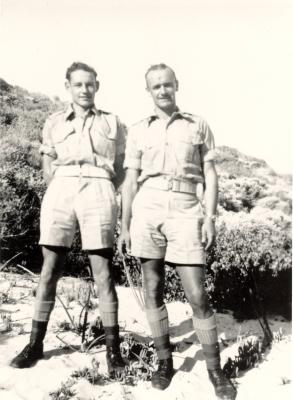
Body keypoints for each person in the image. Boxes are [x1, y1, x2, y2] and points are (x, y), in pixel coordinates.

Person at [118, 63, 236, 399]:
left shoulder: (197, 124)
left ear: (176, 85)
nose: (163, 91)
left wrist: (209, 217)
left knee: (197, 293)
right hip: (148, 206)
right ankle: (164, 361)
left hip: (186, 207)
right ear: (148, 91)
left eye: (167, 84)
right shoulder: (139, 129)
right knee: (152, 289)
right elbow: (129, 181)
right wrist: (124, 225)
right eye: (156, 86)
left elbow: (210, 174)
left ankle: (215, 370)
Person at [10, 62, 126, 377]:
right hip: (62, 187)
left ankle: (113, 351)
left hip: (99, 187)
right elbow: (47, 163)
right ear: (68, 87)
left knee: (102, 271)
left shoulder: (113, 123)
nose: (84, 90)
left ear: (97, 86)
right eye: (78, 85)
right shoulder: (52, 122)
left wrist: (105, 192)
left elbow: (121, 169)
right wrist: (60, 186)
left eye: (90, 84)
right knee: (50, 269)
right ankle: (35, 344)